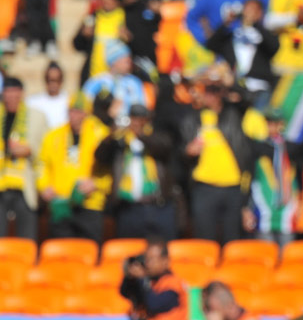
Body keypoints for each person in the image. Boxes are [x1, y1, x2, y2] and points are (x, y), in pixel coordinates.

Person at [180, 73, 254, 244]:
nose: (210, 95)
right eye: (206, 91)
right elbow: (180, 152)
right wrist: (188, 152)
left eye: (214, 91)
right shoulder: (191, 119)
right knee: (205, 241)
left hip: (232, 186)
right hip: (204, 187)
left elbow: (248, 99)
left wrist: (228, 83)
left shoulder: (232, 115)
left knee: (232, 240)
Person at [94, 104, 177, 240]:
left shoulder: (156, 134)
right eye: (134, 119)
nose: (136, 123)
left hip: (158, 206)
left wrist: (140, 134)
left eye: (141, 119)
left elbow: (165, 147)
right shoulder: (120, 142)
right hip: (129, 209)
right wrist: (110, 136)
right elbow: (100, 157)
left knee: (163, 247)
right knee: (130, 249)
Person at [36, 93, 109, 243]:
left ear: (87, 113)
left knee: (89, 249)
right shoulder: (54, 135)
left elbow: (111, 168)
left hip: (90, 204)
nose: (74, 116)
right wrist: (44, 186)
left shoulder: (101, 134)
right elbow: (41, 164)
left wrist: (96, 183)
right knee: (61, 250)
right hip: (61, 204)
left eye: (79, 111)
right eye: (71, 111)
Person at [0, 77, 48, 239]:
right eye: (7, 94)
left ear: (21, 94)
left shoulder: (37, 117)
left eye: (14, 94)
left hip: (25, 186)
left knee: (26, 238)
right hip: (2, 186)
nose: (11, 99)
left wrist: (29, 150)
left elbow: (45, 152)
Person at [246, 107, 300, 245]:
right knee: (266, 251)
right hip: (263, 206)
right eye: (269, 123)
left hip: (287, 209)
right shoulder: (257, 148)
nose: (272, 126)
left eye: (276, 123)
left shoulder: (291, 148)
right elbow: (249, 178)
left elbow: (300, 177)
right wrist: (246, 207)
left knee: (287, 252)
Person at [119, 239, 190, 320]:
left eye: (152, 259)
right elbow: (125, 293)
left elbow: (154, 305)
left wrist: (142, 278)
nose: (147, 264)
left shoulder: (174, 283)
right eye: (146, 259)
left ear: (165, 261)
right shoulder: (152, 282)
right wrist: (129, 276)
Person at [82, 41, 148, 122]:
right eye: (126, 60)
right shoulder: (96, 82)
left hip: (130, 126)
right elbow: (85, 107)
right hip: (102, 126)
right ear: (114, 61)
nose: (130, 63)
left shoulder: (135, 82)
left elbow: (143, 106)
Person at [27, 62, 68, 130]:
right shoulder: (33, 102)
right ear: (45, 80)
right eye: (50, 80)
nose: (53, 84)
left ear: (61, 80)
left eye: (57, 80)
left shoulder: (69, 102)